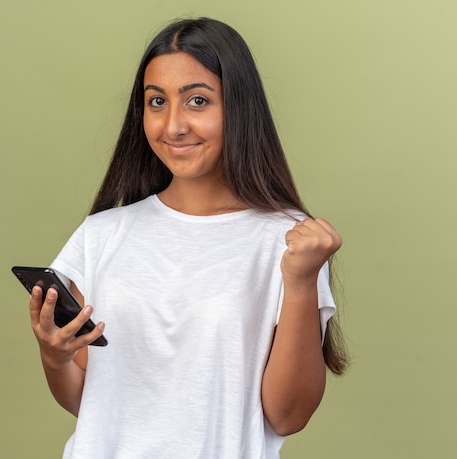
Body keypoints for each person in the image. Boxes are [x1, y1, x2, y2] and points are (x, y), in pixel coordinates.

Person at [27, 17, 348, 459]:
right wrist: (54, 357)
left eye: (197, 100)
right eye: (156, 101)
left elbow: (288, 416)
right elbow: (94, 405)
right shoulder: (101, 235)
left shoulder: (289, 242)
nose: (173, 125)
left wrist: (300, 281)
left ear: (238, 107)